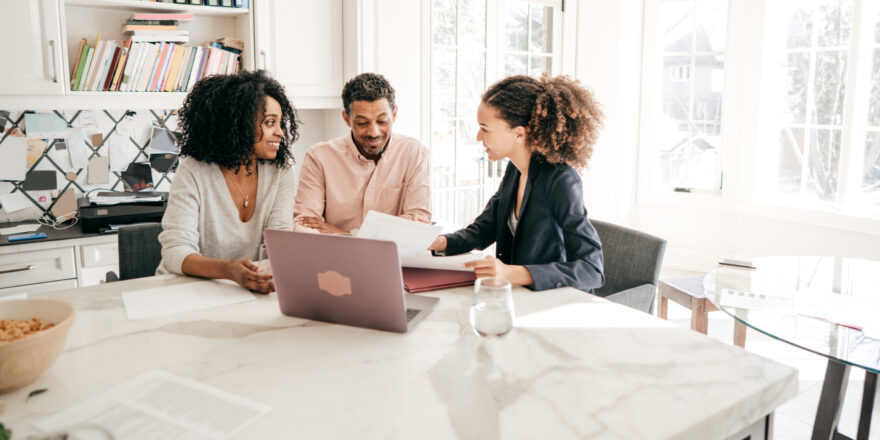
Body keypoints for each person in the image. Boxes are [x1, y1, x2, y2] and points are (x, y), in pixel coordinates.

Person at [428, 75, 605, 292]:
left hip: (554, 301)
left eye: (485, 128)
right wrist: (437, 242)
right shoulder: (515, 169)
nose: (477, 137)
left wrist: (512, 273)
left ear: (519, 133)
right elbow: (484, 229)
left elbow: (591, 269)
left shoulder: (561, 180)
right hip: (519, 297)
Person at [157, 70, 300, 293]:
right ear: (239, 124)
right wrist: (229, 271)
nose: (280, 132)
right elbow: (175, 252)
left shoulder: (281, 171)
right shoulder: (194, 170)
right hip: (188, 290)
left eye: (280, 123)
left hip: (246, 289)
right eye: (270, 123)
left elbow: (279, 241)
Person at [293, 72, 430, 234]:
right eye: (362, 123)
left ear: (394, 115)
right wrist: (392, 229)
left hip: (393, 258)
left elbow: (418, 223)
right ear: (346, 118)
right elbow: (305, 225)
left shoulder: (414, 153)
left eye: (382, 121)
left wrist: (343, 234)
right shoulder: (319, 157)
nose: (373, 132)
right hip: (335, 258)